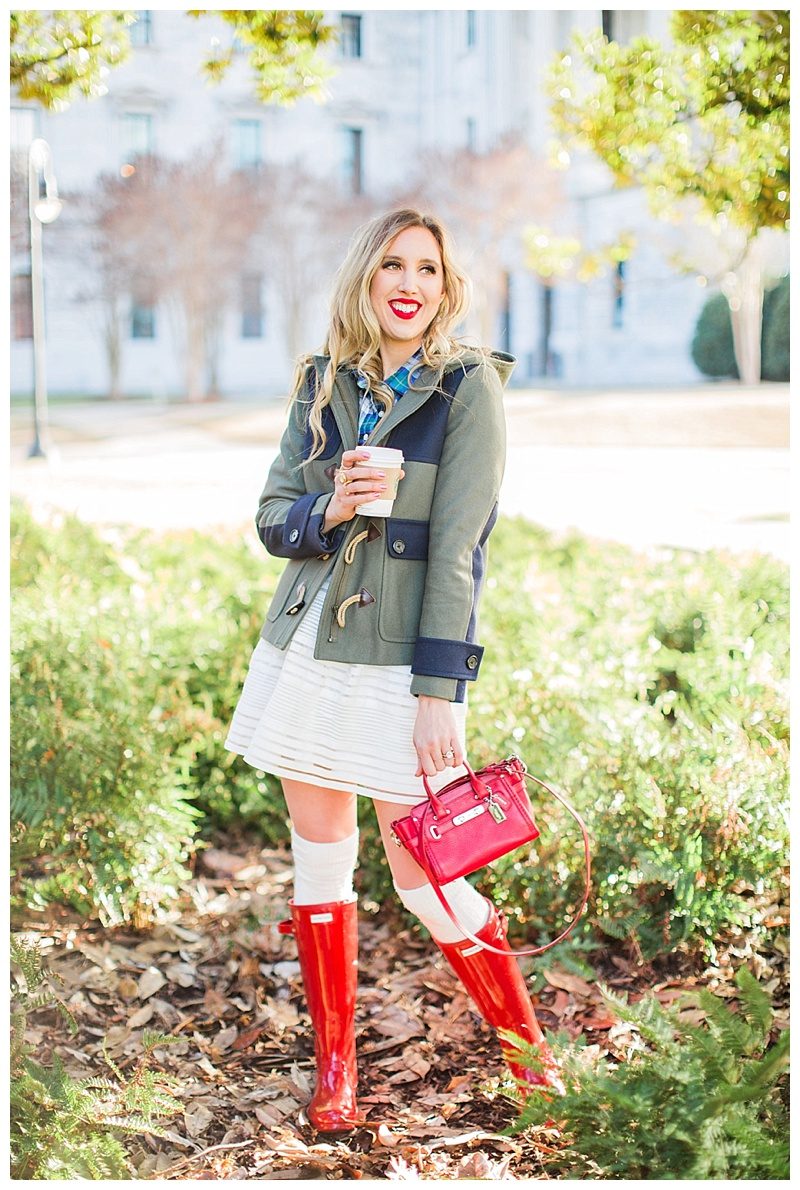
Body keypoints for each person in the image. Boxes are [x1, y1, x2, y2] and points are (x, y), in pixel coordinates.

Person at [226, 208, 562, 1132]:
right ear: (366, 279)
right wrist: (327, 507)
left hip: (398, 666)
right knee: (319, 864)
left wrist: (439, 694)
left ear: (444, 287)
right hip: (308, 651)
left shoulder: (465, 389)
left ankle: (531, 1063)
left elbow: (460, 550)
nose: (409, 282)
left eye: (426, 268)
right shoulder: (321, 383)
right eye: (392, 266)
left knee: (431, 873)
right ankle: (337, 1074)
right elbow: (271, 519)